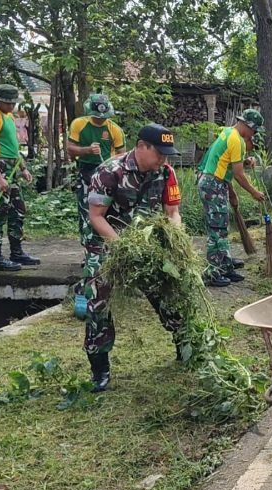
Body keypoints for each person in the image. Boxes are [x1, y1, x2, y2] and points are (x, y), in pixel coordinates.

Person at [83, 123, 184, 392]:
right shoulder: (109, 172)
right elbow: (96, 217)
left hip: (146, 242)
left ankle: (186, 345)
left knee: (170, 291)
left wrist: (175, 238)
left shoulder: (166, 172)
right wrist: (124, 249)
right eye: (159, 153)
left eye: (166, 154)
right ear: (141, 147)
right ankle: (100, 369)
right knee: (99, 302)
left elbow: (173, 212)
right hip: (106, 242)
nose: (163, 159)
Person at [198, 109, 267, 287]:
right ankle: (213, 272)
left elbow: (226, 164)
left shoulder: (229, 132)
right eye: (254, 131)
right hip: (213, 184)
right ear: (248, 126)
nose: (253, 135)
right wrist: (254, 192)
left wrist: (232, 192)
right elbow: (238, 174)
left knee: (222, 226)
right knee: (216, 228)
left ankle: (225, 265)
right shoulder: (237, 140)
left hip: (214, 183)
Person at [0, 84, 39, 271]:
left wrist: (23, 168)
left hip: (12, 167)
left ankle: (17, 251)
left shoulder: (9, 116)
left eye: (13, 103)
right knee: (0, 210)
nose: (12, 106)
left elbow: (13, 147)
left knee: (17, 209)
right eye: (8, 103)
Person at [67, 94, 126, 270]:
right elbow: (70, 149)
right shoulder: (79, 124)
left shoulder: (115, 130)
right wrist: (87, 150)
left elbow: (123, 156)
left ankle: (108, 252)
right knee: (86, 214)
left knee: (108, 213)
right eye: (97, 117)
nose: (100, 120)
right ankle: (89, 253)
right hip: (86, 172)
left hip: (107, 174)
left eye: (103, 117)